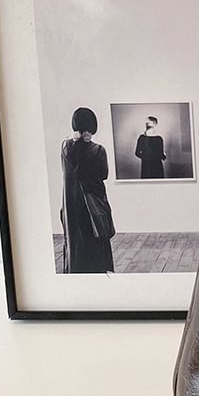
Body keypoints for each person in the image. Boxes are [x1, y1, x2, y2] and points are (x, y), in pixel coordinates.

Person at [60, 107, 115, 273]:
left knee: (75, 242)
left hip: (70, 205)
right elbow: (104, 175)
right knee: (96, 239)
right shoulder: (98, 150)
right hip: (92, 204)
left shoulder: (65, 147)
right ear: (93, 125)